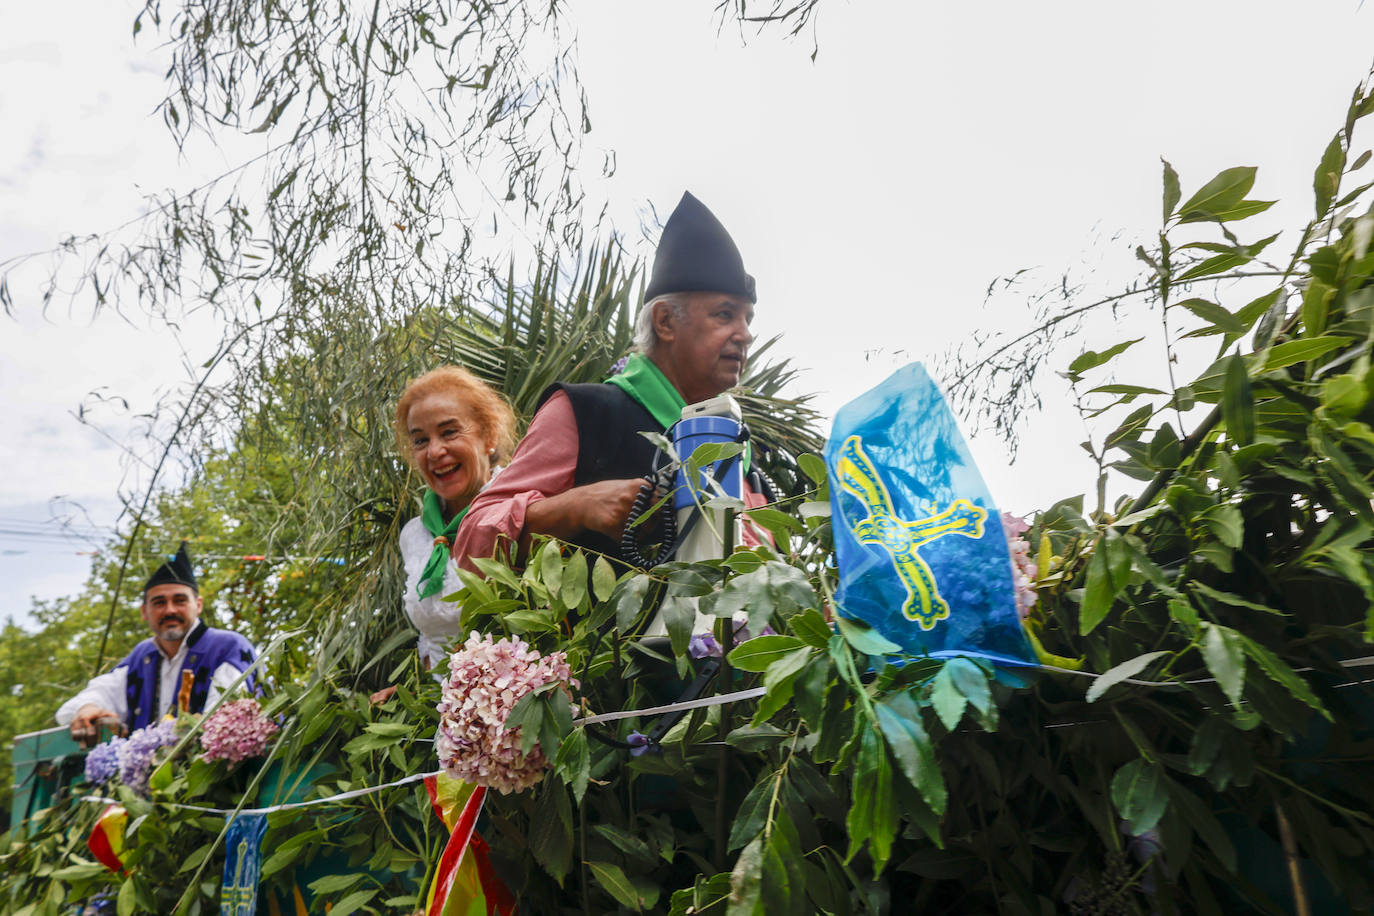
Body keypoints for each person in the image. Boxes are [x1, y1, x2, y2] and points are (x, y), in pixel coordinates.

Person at [453, 190, 770, 572]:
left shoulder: (746, 461)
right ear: (666, 322)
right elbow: (472, 542)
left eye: (748, 319)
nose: (745, 334)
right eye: (725, 315)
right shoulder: (588, 413)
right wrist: (574, 508)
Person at [56, 543, 258, 743]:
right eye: (159, 602)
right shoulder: (142, 657)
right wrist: (88, 709)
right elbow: (75, 706)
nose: (170, 610)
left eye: (180, 600)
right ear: (144, 611)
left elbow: (229, 719)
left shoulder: (227, 647)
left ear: (198, 605)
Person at [393, 366, 517, 670]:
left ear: (488, 435)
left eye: (449, 432)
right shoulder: (416, 534)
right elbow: (431, 638)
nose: (435, 451)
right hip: (442, 711)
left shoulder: (521, 508)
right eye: (420, 440)